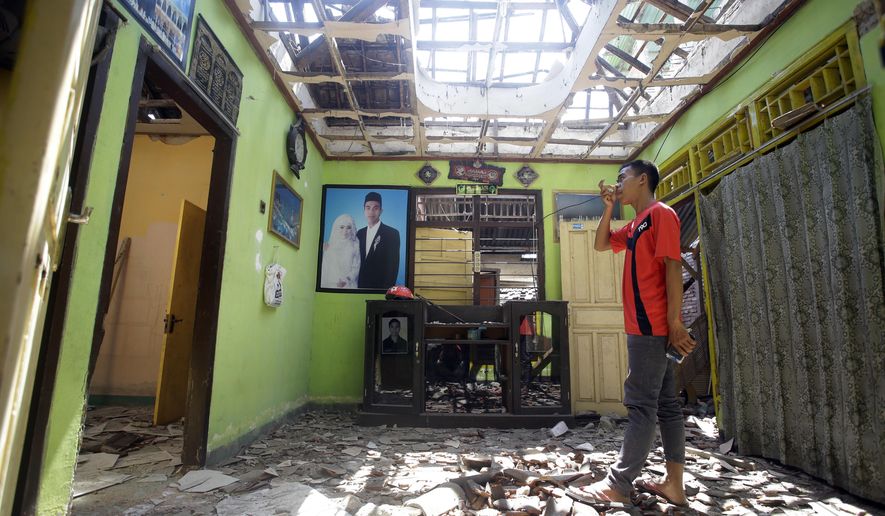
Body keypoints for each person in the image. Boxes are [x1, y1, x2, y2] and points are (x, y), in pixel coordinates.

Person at [577, 160, 697, 507]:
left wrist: (674, 322)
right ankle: (674, 485)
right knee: (666, 406)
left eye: (622, 178)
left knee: (641, 406)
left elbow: (673, 268)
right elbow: (601, 244)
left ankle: (618, 485)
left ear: (642, 180)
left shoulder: (661, 214)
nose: (617, 183)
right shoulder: (635, 225)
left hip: (651, 326)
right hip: (647, 326)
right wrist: (609, 206)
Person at [357, 192, 400, 289]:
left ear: (381, 210)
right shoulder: (359, 233)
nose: (371, 212)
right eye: (368, 208)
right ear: (364, 210)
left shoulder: (392, 234)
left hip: (380, 289)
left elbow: (393, 266)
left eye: (375, 208)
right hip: (358, 287)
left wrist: (385, 291)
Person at [321, 214, 360, 289]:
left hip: (349, 285)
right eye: (341, 227)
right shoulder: (329, 246)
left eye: (348, 228)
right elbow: (325, 269)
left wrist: (346, 279)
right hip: (331, 285)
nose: (345, 231)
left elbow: (356, 267)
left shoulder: (355, 245)